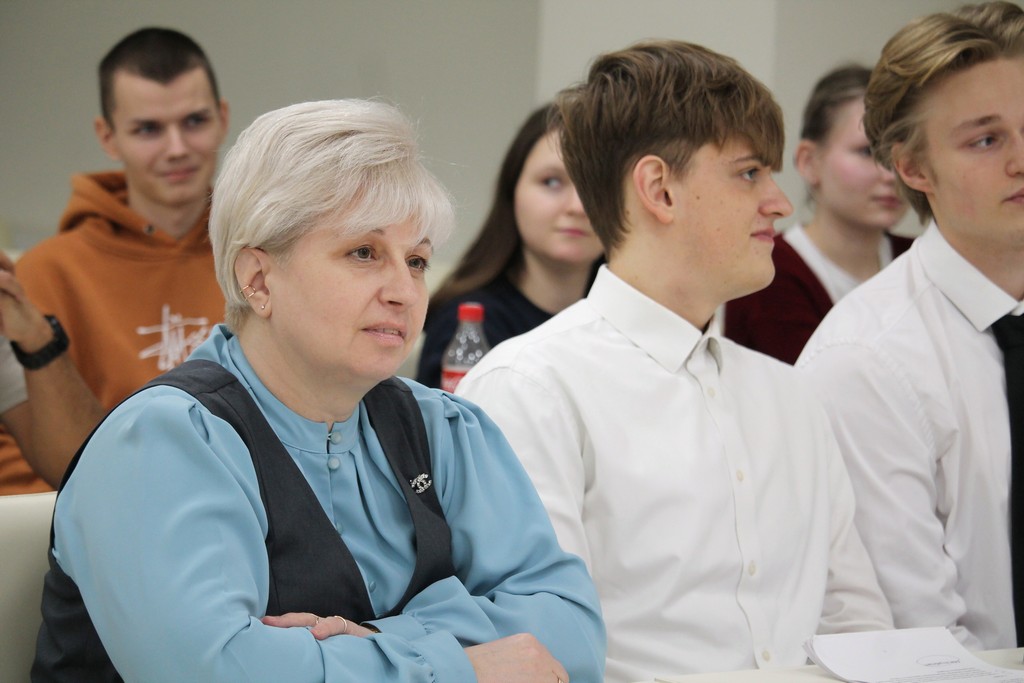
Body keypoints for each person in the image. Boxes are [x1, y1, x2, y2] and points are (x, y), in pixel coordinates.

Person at [32, 99, 605, 683]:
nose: (405, 291)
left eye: (416, 260)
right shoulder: (161, 443)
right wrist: (462, 667)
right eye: (364, 253)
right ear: (258, 279)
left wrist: (384, 640)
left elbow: (574, 633)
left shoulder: (444, 428)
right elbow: (217, 672)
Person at [457, 40, 892, 683]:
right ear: (658, 189)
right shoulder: (530, 388)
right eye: (749, 173)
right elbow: (538, 655)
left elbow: (857, 626)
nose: (780, 203)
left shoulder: (791, 394)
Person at [797, 0, 1024, 650]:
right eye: (986, 140)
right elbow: (920, 648)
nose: (1022, 159)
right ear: (913, 168)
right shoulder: (864, 360)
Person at [0, 27, 229, 493]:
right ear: (108, 137)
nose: (177, 148)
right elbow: (23, 464)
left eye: (194, 121)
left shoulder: (268, 255)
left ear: (223, 119)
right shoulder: (44, 273)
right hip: (92, 523)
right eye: (148, 129)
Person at [725, 65, 911, 364]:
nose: (892, 174)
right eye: (868, 152)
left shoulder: (922, 261)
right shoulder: (766, 272)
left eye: (903, 154)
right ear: (809, 161)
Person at [416, 104, 602, 388]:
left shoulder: (628, 323)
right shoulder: (468, 327)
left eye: (596, 185)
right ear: (512, 191)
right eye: (552, 181)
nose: (578, 206)